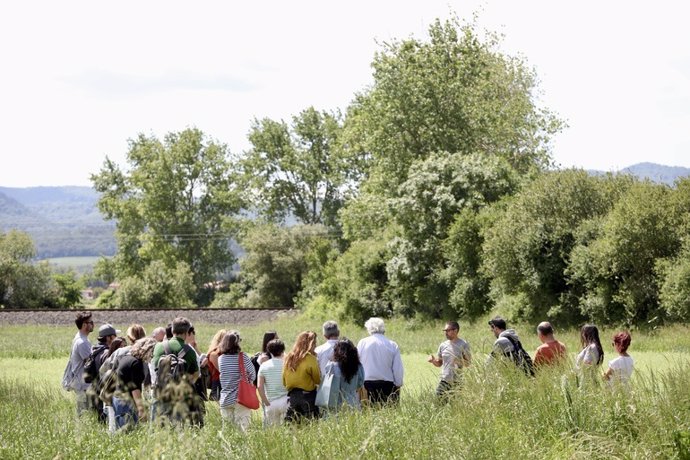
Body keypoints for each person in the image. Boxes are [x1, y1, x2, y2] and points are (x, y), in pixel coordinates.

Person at [152, 317, 201, 425]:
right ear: (187, 332)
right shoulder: (189, 351)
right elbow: (196, 375)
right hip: (180, 397)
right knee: (178, 429)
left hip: (160, 393)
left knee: (158, 430)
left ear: (172, 330)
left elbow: (155, 367)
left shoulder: (159, 347)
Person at [112, 337, 158, 431]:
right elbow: (135, 388)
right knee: (127, 433)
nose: (152, 356)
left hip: (118, 399)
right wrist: (141, 410)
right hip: (126, 403)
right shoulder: (136, 363)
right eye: (152, 352)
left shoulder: (127, 358)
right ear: (147, 350)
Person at [357, 318, 404, 405]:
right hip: (388, 386)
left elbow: (357, 365)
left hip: (367, 386)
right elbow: (398, 369)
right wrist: (398, 385)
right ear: (383, 329)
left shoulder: (362, 343)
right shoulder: (392, 344)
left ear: (369, 329)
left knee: (368, 415)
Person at [218, 331, 256, 432]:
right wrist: (248, 380)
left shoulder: (221, 359)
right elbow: (253, 374)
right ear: (237, 343)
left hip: (225, 398)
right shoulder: (243, 357)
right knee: (243, 429)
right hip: (241, 398)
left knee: (227, 430)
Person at [283, 331, 321, 421]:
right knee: (312, 426)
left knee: (292, 426)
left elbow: (284, 381)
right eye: (314, 343)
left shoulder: (289, 357)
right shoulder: (311, 359)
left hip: (293, 397)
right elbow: (317, 380)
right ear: (310, 344)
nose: (315, 346)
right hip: (308, 397)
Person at [427, 321, 471, 399]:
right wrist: (433, 361)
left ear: (455, 331)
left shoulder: (464, 344)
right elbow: (440, 363)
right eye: (445, 331)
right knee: (437, 404)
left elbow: (468, 363)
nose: (445, 333)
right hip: (444, 381)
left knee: (456, 408)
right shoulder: (443, 345)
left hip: (457, 382)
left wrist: (458, 361)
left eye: (448, 330)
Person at [62, 312, 94, 415]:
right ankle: (81, 429)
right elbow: (90, 362)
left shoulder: (80, 338)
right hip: (83, 383)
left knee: (83, 410)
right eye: (91, 322)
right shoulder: (82, 342)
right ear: (84, 325)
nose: (93, 324)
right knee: (85, 412)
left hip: (81, 382)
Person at [324, 339, 365, 411]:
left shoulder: (331, 366)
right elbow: (360, 384)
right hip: (353, 402)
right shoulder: (358, 367)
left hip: (335, 402)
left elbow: (327, 385)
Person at [257, 339, 289, 426]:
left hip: (271, 402)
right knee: (287, 429)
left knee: (274, 431)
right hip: (286, 400)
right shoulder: (287, 364)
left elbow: (260, 387)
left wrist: (265, 401)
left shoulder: (263, 366)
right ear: (283, 350)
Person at [206, 329, 227, 401]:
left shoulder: (224, 352)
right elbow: (221, 369)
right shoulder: (214, 353)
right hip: (218, 382)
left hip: (224, 382)